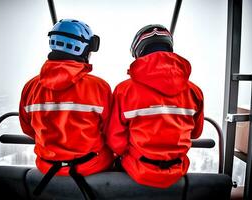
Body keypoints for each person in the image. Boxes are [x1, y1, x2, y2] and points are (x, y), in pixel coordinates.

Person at [19, 19, 113, 198]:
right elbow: (110, 131)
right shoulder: (99, 87)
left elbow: (28, 129)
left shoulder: (30, 87)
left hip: (46, 167)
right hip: (92, 167)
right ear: (84, 49)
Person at [106, 24, 204, 188]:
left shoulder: (124, 90)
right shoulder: (194, 91)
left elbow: (116, 141)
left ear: (138, 52)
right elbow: (196, 133)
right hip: (177, 170)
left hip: (137, 169)